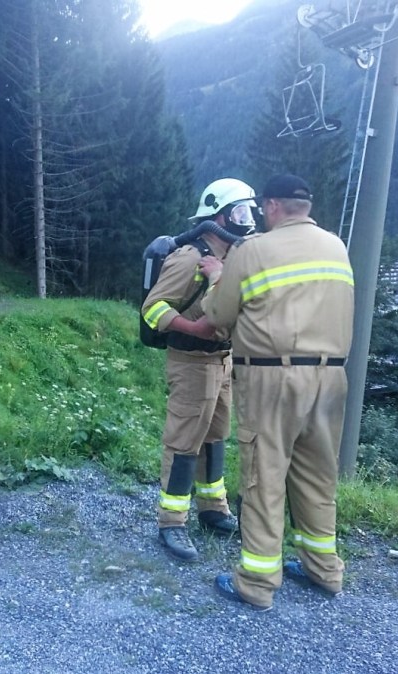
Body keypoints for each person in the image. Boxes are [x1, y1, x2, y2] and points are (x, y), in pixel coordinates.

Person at [202, 174, 354, 610]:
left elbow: (219, 315)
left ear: (270, 206)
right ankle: (324, 570)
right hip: (331, 378)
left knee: (264, 478)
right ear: (305, 206)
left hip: (273, 377)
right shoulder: (335, 247)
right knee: (317, 477)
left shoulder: (252, 251)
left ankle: (256, 581)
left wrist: (217, 276)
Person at [141, 178, 254, 562]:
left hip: (223, 359)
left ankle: (213, 509)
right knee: (184, 441)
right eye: (240, 212)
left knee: (215, 437)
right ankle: (172, 521)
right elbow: (153, 308)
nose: (247, 219)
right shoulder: (189, 257)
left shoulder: (231, 257)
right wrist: (192, 328)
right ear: (218, 217)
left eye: (249, 211)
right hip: (191, 362)